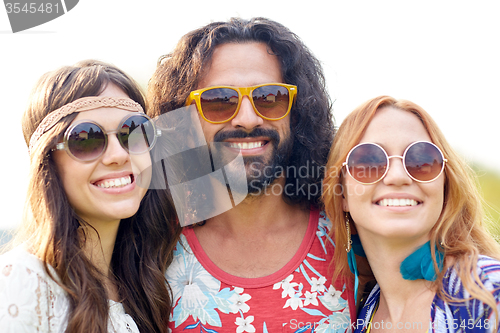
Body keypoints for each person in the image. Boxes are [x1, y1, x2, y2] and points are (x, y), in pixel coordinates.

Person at [148, 17, 355, 332]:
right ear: (185, 122)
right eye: (219, 101)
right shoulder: (149, 247)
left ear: (297, 114)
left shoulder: (352, 237)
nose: (247, 119)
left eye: (269, 98)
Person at [0, 60, 180, 332]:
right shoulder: (22, 281)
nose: (119, 155)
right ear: (48, 161)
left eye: (133, 131)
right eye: (86, 139)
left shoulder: (149, 281)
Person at [323, 95, 500, 332]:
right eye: (368, 161)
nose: (398, 177)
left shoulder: (488, 288)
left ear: (445, 186)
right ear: (342, 193)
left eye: (421, 159)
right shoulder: (360, 315)